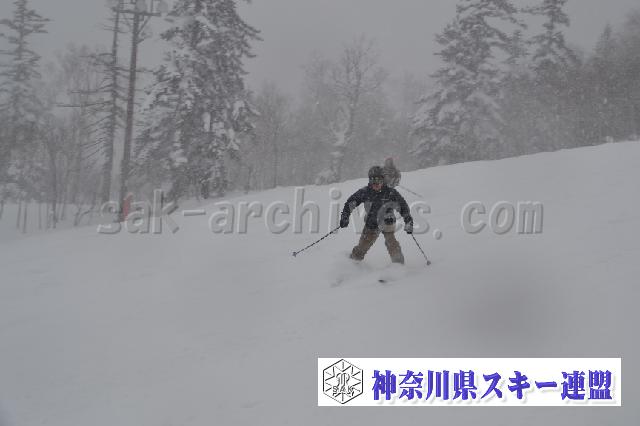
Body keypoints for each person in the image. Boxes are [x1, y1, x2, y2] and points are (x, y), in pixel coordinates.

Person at [340, 166, 413, 264]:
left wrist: (408, 221)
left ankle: (398, 264)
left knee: (391, 242)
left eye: (378, 180)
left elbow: (403, 207)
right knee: (362, 246)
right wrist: (345, 216)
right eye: (372, 180)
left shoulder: (390, 192)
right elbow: (350, 202)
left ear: (383, 180)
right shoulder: (365, 192)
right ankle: (353, 262)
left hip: (387, 221)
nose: (376, 183)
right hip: (371, 223)